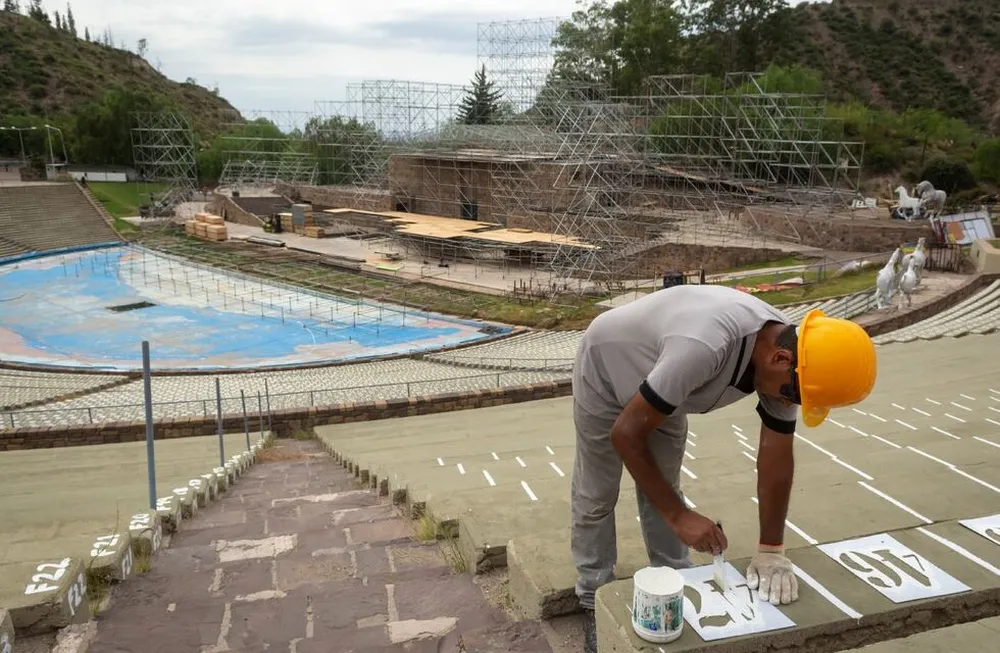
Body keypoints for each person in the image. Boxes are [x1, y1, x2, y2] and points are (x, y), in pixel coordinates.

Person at [570, 284, 877, 652]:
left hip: (665, 386)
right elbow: (625, 434)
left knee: (663, 486)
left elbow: (777, 454)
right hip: (607, 368)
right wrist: (679, 516)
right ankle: (592, 596)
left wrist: (771, 549)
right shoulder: (705, 347)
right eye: (793, 395)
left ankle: (675, 576)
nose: (788, 403)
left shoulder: (791, 355)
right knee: (598, 492)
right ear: (781, 359)